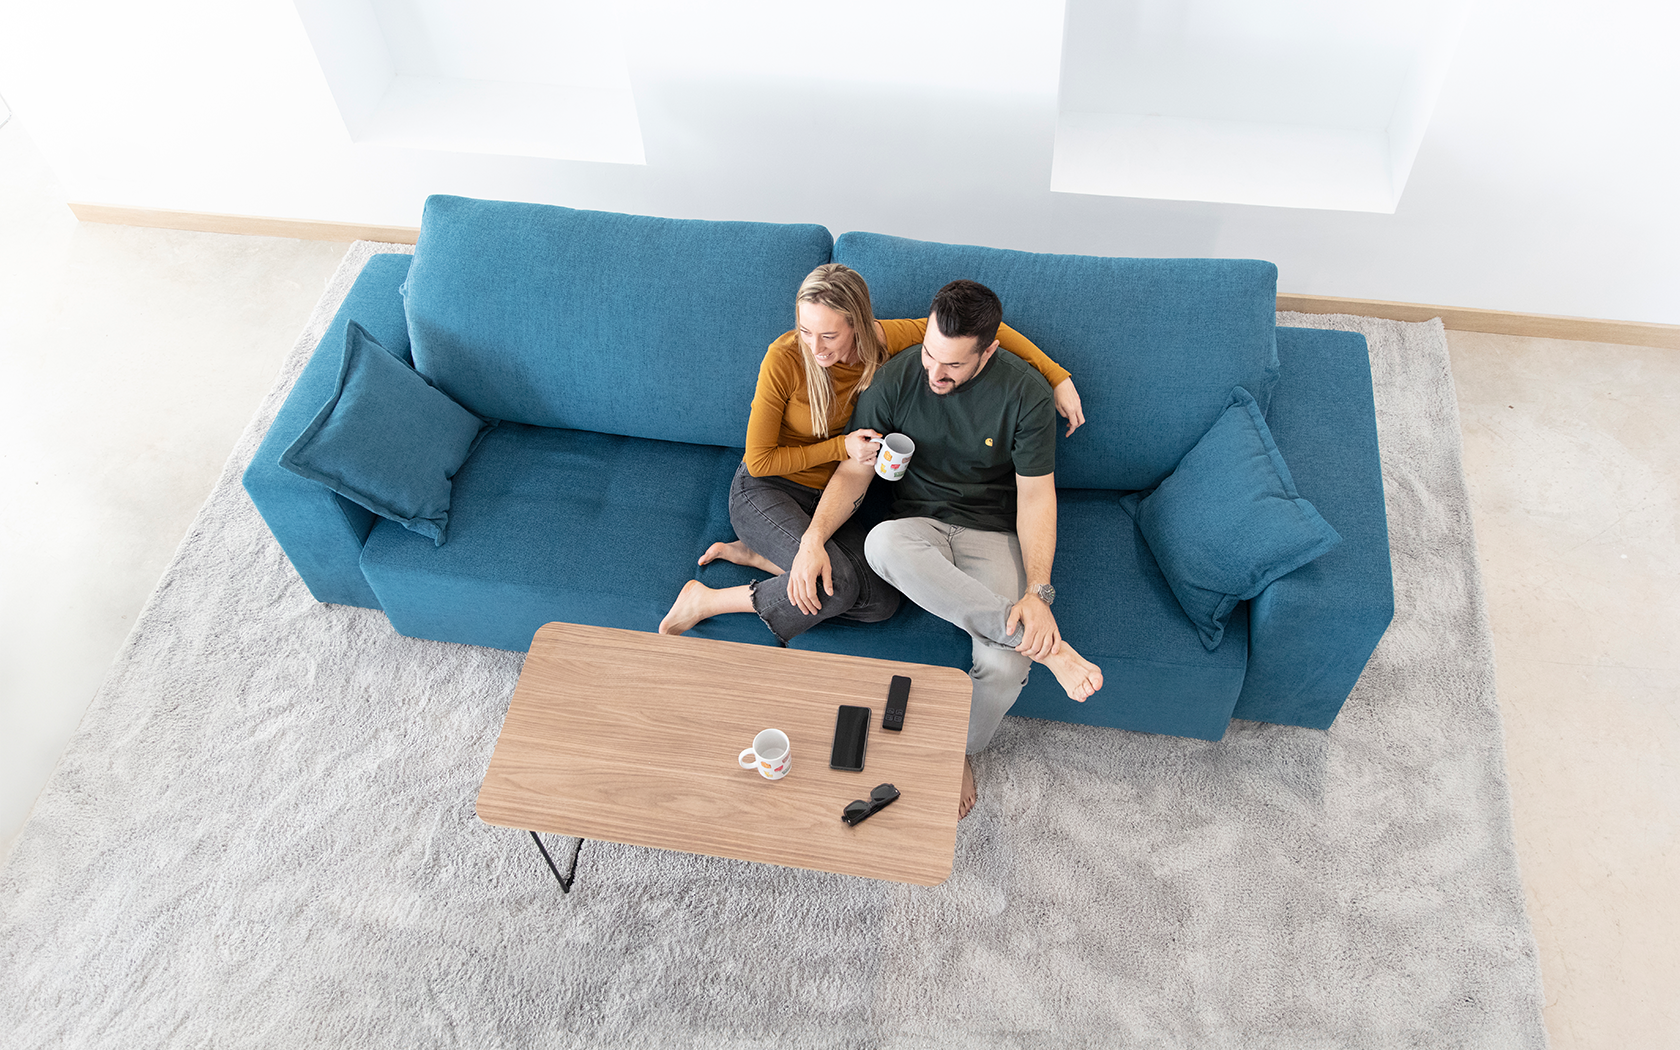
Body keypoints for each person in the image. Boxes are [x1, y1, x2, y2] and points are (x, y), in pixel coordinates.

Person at [782, 279, 1104, 819]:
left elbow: (1036, 497)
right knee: (881, 542)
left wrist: (1038, 593)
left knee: (1005, 668)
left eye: (953, 365)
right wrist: (812, 539)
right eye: (930, 353)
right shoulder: (896, 377)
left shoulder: (1024, 394)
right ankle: (1044, 647)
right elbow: (856, 470)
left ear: (988, 352)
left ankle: (959, 748)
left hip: (992, 532)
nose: (934, 372)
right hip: (917, 529)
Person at [659, 264, 1085, 643]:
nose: (816, 347)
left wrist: (1056, 376)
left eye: (829, 335)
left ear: (859, 325)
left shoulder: (888, 341)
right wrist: (841, 447)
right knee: (841, 583)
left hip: (829, 499)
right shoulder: (784, 358)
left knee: (882, 601)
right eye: (806, 331)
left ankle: (764, 556)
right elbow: (760, 461)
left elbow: (978, 336)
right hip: (768, 489)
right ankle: (707, 600)